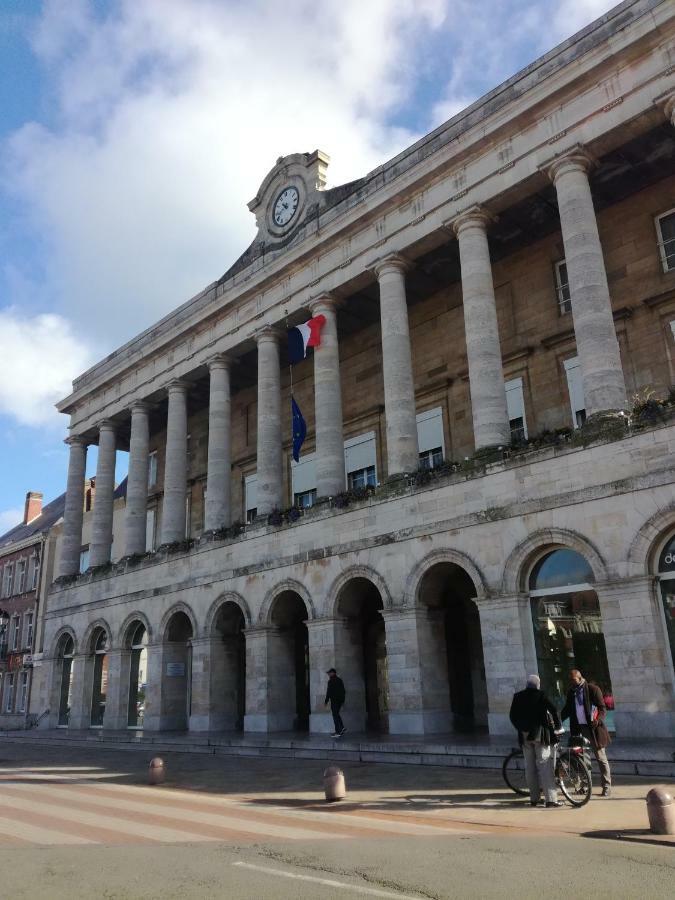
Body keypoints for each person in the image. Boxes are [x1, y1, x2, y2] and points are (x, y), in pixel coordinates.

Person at [509, 674, 563, 808]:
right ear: (538, 685)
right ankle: (550, 799)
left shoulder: (518, 696)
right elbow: (554, 709)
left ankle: (534, 798)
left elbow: (512, 716)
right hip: (539, 734)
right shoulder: (541, 695)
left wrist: (521, 728)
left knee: (530, 767)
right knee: (545, 765)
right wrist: (558, 726)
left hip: (525, 735)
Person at [561, 668, 612, 797]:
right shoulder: (571, 692)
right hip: (579, 729)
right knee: (582, 760)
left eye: (573, 680)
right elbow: (567, 709)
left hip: (593, 729)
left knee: (601, 758)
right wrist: (557, 719)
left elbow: (602, 708)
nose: (571, 683)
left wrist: (598, 719)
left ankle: (606, 786)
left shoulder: (592, 689)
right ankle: (585, 786)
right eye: (570, 681)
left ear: (579, 678)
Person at [324, 667, 346, 738]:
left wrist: (326, 701)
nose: (328, 674)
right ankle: (342, 728)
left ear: (333, 673)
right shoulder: (339, 680)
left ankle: (338, 732)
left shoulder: (331, 681)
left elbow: (329, 692)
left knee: (335, 716)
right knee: (336, 714)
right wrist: (342, 701)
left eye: (329, 673)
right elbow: (343, 691)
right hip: (339, 701)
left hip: (334, 701)